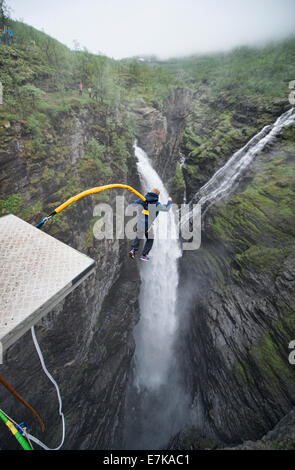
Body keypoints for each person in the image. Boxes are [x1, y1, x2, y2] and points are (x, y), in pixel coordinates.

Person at [129, 188, 172, 261]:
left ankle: (133, 250)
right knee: (150, 239)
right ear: (157, 196)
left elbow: (133, 204)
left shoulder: (143, 200)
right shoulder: (156, 204)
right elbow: (166, 208)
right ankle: (143, 255)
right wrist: (169, 201)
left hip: (139, 223)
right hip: (148, 225)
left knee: (139, 235)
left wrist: (138, 201)